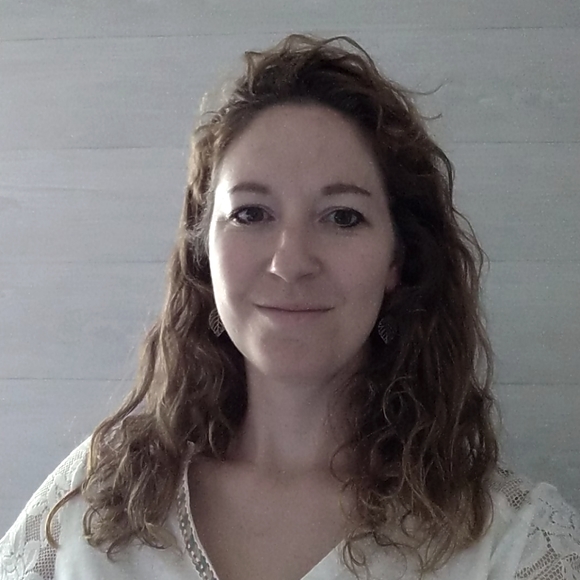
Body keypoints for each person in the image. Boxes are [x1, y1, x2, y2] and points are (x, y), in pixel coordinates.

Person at [1, 34, 578, 580]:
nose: (291, 261)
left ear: (398, 260)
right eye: (251, 213)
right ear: (204, 251)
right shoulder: (98, 502)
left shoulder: (512, 543)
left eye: (343, 217)